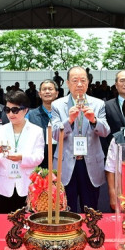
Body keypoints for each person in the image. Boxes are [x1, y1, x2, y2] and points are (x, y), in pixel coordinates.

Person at [51, 67, 110, 213]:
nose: (79, 84)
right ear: (67, 83)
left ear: (88, 83)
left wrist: (94, 120)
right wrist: (69, 120)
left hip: (90, 163)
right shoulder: (57, 105)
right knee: (65, 210)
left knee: (90, 210)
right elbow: (55, 134)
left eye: (83, 80)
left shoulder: (98, 104)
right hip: (65, 164)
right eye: (75, 81)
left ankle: (91, 235)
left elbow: (105, 132)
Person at [0, 90, 44, 213]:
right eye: (7, 110)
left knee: (26, 224)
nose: (11, 114)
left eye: (15, 110)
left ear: (26, 110)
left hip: (26, 184)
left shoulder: (36, 131)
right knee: (2, 223)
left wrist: (22, 158)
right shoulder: (0, 130)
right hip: (3, 186)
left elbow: (39, 157)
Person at [27, 79, 59, 169]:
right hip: (38, 164)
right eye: (44, 89)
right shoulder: (30, 115)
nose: (47, 91)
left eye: (50, 89)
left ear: (56, 93)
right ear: (39, 94)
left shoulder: (64, 114)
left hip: (61, 162)